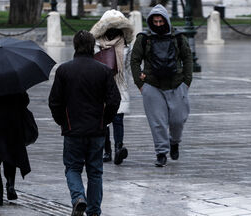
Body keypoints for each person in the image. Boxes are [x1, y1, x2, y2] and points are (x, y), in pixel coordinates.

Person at [49, 30, 121, 216]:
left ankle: (78, 197)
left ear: (75, 46)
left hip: (73, 129)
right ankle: (94, 210)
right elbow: (114, 100)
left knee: (73, 168)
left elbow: (54, 101)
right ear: (92, 47)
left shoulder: (64, 70)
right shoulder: (103, 70)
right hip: (96, 129)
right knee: (95, 172)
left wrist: (63, 122)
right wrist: (105, 120)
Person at [130, 4, 193, 167]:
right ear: (151, 22)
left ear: (166, 20)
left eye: (161, 21)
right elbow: (135, 60)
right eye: (155, 21)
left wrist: (186, 82)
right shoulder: (143, 38)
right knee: (157, 122)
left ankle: (175, 142)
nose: (158, 24)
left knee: (178, 119)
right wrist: (140, 83)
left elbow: (187, 58)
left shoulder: (178, 37)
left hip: (177, 84)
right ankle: (161, 152)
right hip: (152, 85)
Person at [90, 9, 134, 165]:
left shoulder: (126, 44)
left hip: (119, 84)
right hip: (101, 84)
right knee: (104, 119)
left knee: (118, 118)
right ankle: (106, 150)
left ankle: (118, 149)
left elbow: (127, 66)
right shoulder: (95, 44)